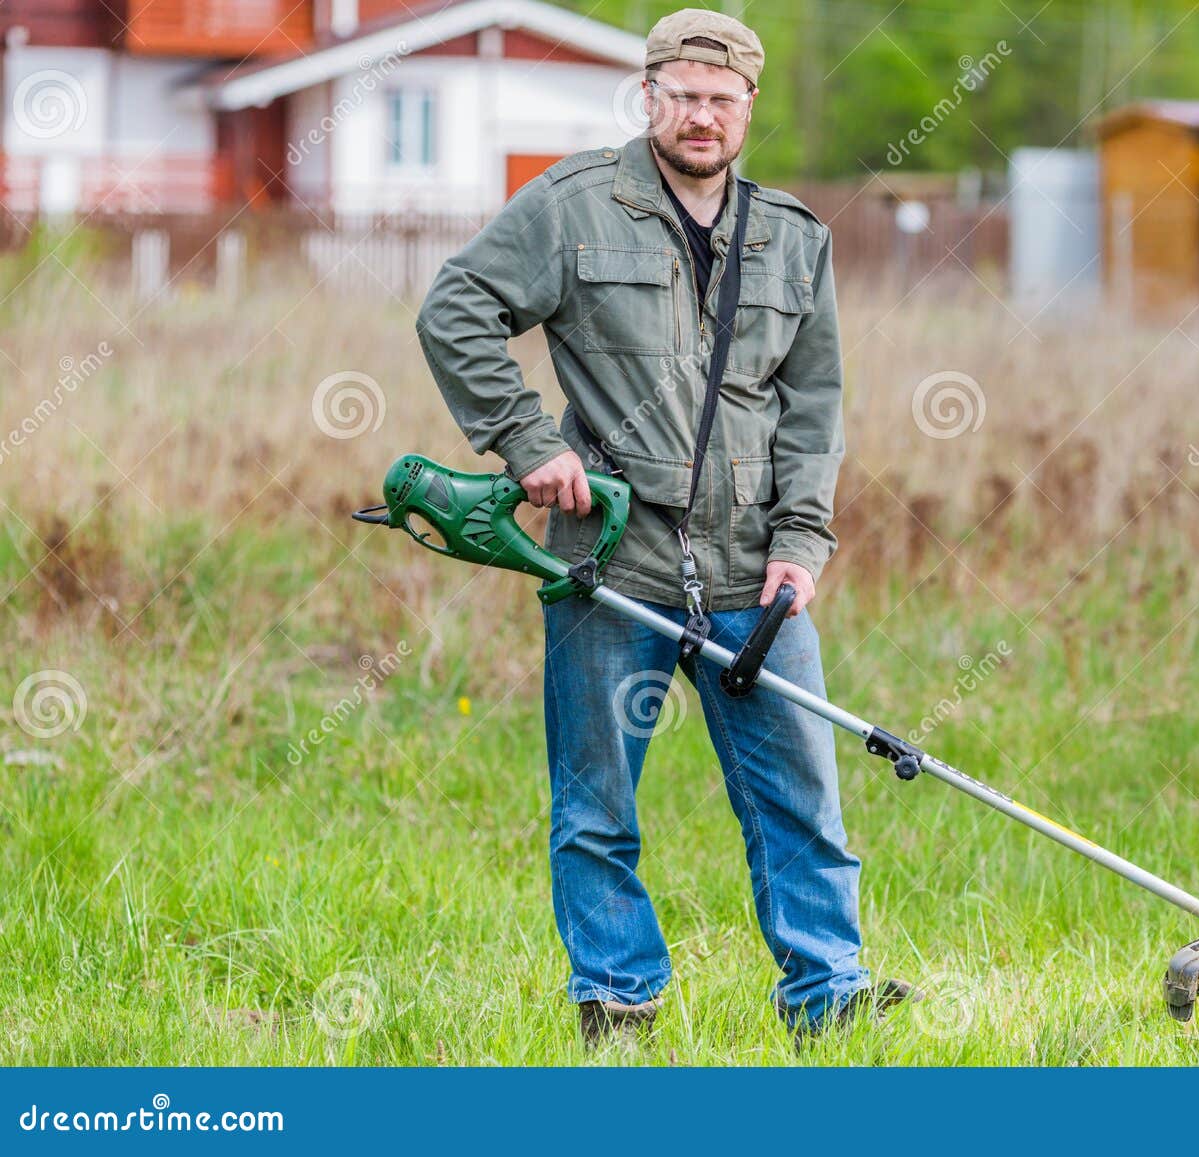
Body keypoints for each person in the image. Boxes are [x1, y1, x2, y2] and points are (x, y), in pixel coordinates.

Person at [416, 7, 918, 1044]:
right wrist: (524, 444)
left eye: (720, 99)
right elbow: (455, 305)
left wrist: (801, 542)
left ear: (749, 107)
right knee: (595, 805)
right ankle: (617, 997)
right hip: (609, 562)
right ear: (648, 96)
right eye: (681, 95)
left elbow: (815, 402)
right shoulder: (570, 206)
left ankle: (827, 993)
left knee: (801, 799)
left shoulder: (790, 237)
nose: (700, 115)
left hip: (752, 575)